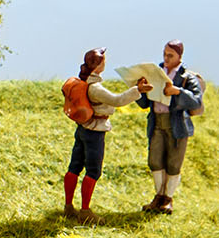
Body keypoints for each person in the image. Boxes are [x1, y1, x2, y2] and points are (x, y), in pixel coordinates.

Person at [63, 48, 150, 220]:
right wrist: (137, 90)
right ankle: (85, 211)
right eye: (103, 61)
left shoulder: (84, 81)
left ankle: (68, 206)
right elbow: (117, 100)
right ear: (98, 65)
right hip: (94, 132)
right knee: (93, 170)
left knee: (74, 167)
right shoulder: (94, 88)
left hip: (82, 128)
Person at [141, 39, 203, 214]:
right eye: (164, 54)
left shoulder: (187, 77)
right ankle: (158, 195)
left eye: (170, 55)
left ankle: (168, 198)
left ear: (179, 56)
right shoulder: (156, 73)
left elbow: (196, 100)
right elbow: (144, 103)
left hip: (177, 124)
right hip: (157, 122)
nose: (166, 58)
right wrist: (140, 90)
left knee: (173, 163)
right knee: (155, 160)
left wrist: (178, 91)